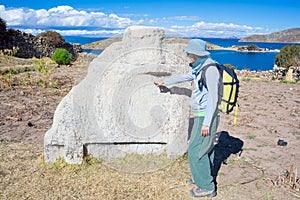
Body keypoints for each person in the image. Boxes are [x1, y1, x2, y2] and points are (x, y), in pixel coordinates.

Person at [154, 39, 220, 198]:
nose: (188, 56)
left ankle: (207, 187)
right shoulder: (200, 67)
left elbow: (214, 99)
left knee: (195, 151)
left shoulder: (210, 70)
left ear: (196, 53)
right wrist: (166, 82)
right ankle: (202, 176)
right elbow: (185, 76)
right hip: (202, 115)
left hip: (206, 117)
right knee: (206, 149)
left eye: (190, 53)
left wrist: (206, 123)